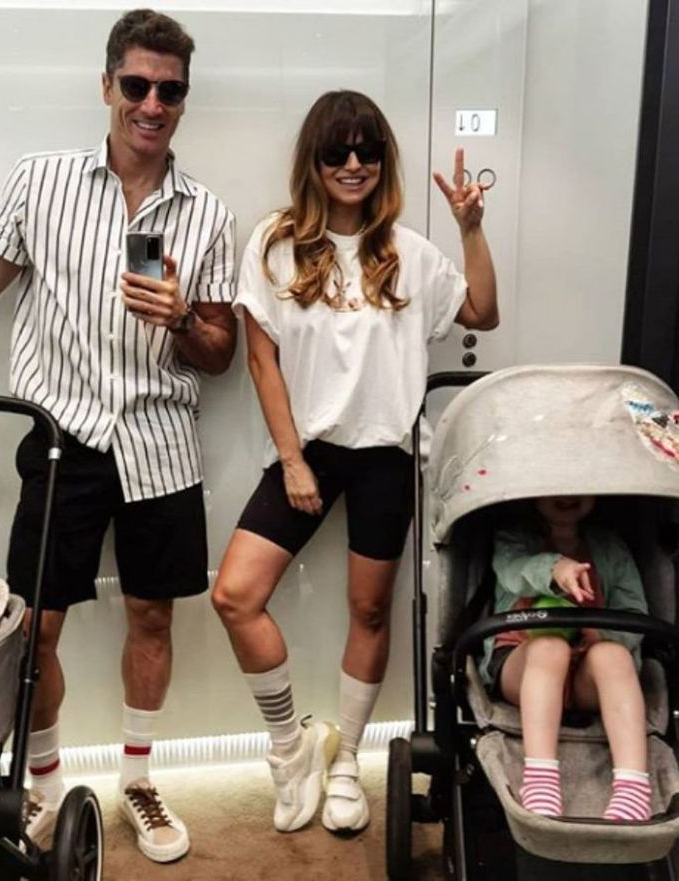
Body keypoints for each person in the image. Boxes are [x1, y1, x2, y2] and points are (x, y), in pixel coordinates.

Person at [0, 9, 236, 864]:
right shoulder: (40, 181)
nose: (152, 104)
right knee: (34, 627)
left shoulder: (207, 213)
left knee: (152, 614)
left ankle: (139, 779)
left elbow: (221, 352)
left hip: (161, 442)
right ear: (107, 84)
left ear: (183, 100)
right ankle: (42, 782)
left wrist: (182, 317)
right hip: (63, 439)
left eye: (170, 91)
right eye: (138, 85)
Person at [211, 89, 498, 835]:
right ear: (313, 159)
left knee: (369, 610)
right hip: (305, 449)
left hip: (384, 457)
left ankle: (346, 760)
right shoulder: (274, 242)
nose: (352, 163)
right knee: (235, 595)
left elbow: (482, 312)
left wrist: (470, 229)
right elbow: (262, 361)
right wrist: (291, 460)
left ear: (382, 161)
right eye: (336, 150)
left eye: (367, 150)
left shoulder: (410, 252)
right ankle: (290, 746)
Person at [479, 495, 651, 821]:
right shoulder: (513, 538)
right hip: (524, 663)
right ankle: (541, 779)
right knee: (550, 647)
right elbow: (514, 572)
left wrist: (600, 634)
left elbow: (634, 613)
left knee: (614, 654)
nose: (567, 498)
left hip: (587, 670)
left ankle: (633, 788)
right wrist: (555, 568)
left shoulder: (610, 547)